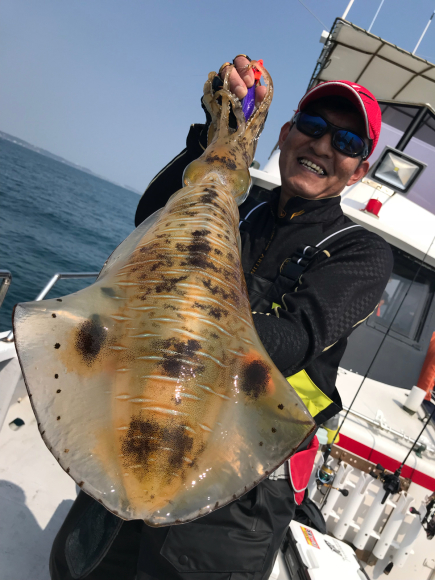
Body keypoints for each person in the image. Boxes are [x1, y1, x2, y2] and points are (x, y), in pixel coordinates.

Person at [50, 56, 393, 580]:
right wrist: (215, 133)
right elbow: (151, 219)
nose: (323, 147)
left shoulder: (360, 253)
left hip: (241, 474)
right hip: (143, 420)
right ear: (286, 133)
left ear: (360, 170)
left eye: (347, 144)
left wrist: (183, 302)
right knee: (83, 567)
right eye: (314, 127)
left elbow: (297, 338)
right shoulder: (239, 204)